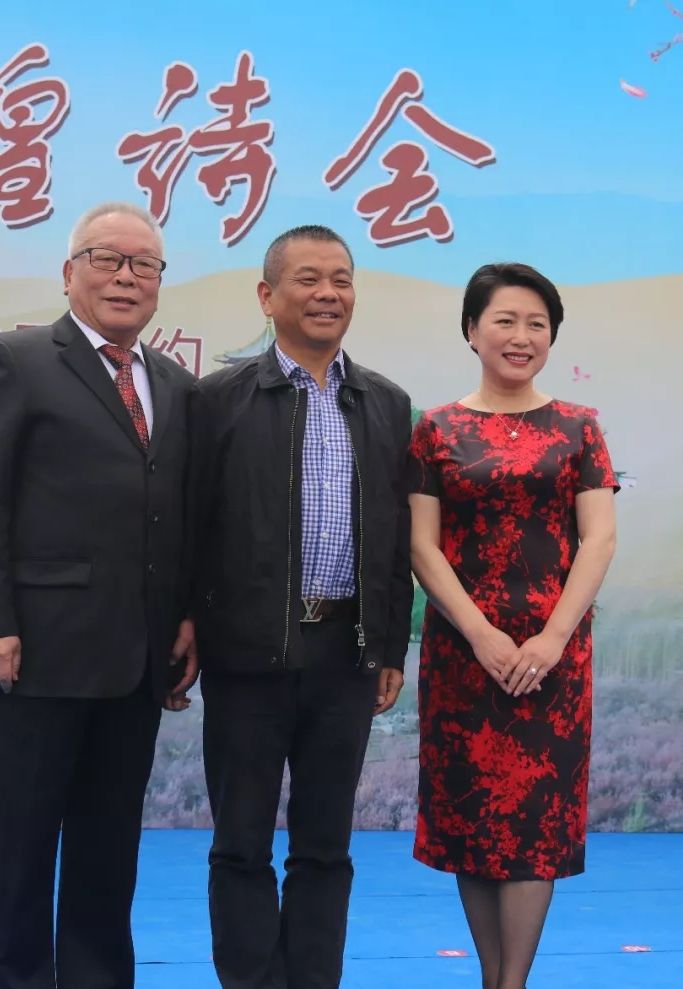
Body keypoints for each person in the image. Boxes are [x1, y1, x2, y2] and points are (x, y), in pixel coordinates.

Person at [0, 201, 199, 989]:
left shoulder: (176, 385)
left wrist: (186, 616)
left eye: (144, 264)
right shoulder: (15, 361)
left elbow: (182, 514)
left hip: (136, 662)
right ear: (68, 272)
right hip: (34, 654)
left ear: (159, 282)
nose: (126, 277)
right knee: (13, 852)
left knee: (107, 854)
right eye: (106, 259)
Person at [188, 224, 416, 989]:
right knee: (241, 843)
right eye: (308, 279)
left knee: (325, 846)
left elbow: (395, 538)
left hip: (345, 653)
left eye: (341, 279)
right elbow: (189, 527)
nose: (328, 294)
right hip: (246, 652)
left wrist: (390, 644)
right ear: (267, 295)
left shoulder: (384, 403)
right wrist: (187, 627)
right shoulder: (218, 399)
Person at [407, 262, 619, 989]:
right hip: (464, 656)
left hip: (552, 659)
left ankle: (511, 983)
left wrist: (553, 638)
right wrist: (479, 634)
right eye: (505, 320)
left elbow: (598, 539)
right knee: (473, 823)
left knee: (533, 824)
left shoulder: (579, 427)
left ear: (552, 336)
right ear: (472, 330)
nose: (521, 336)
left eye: (537, 323)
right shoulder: (436, 429)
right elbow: (422, 546)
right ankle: (493, 978)